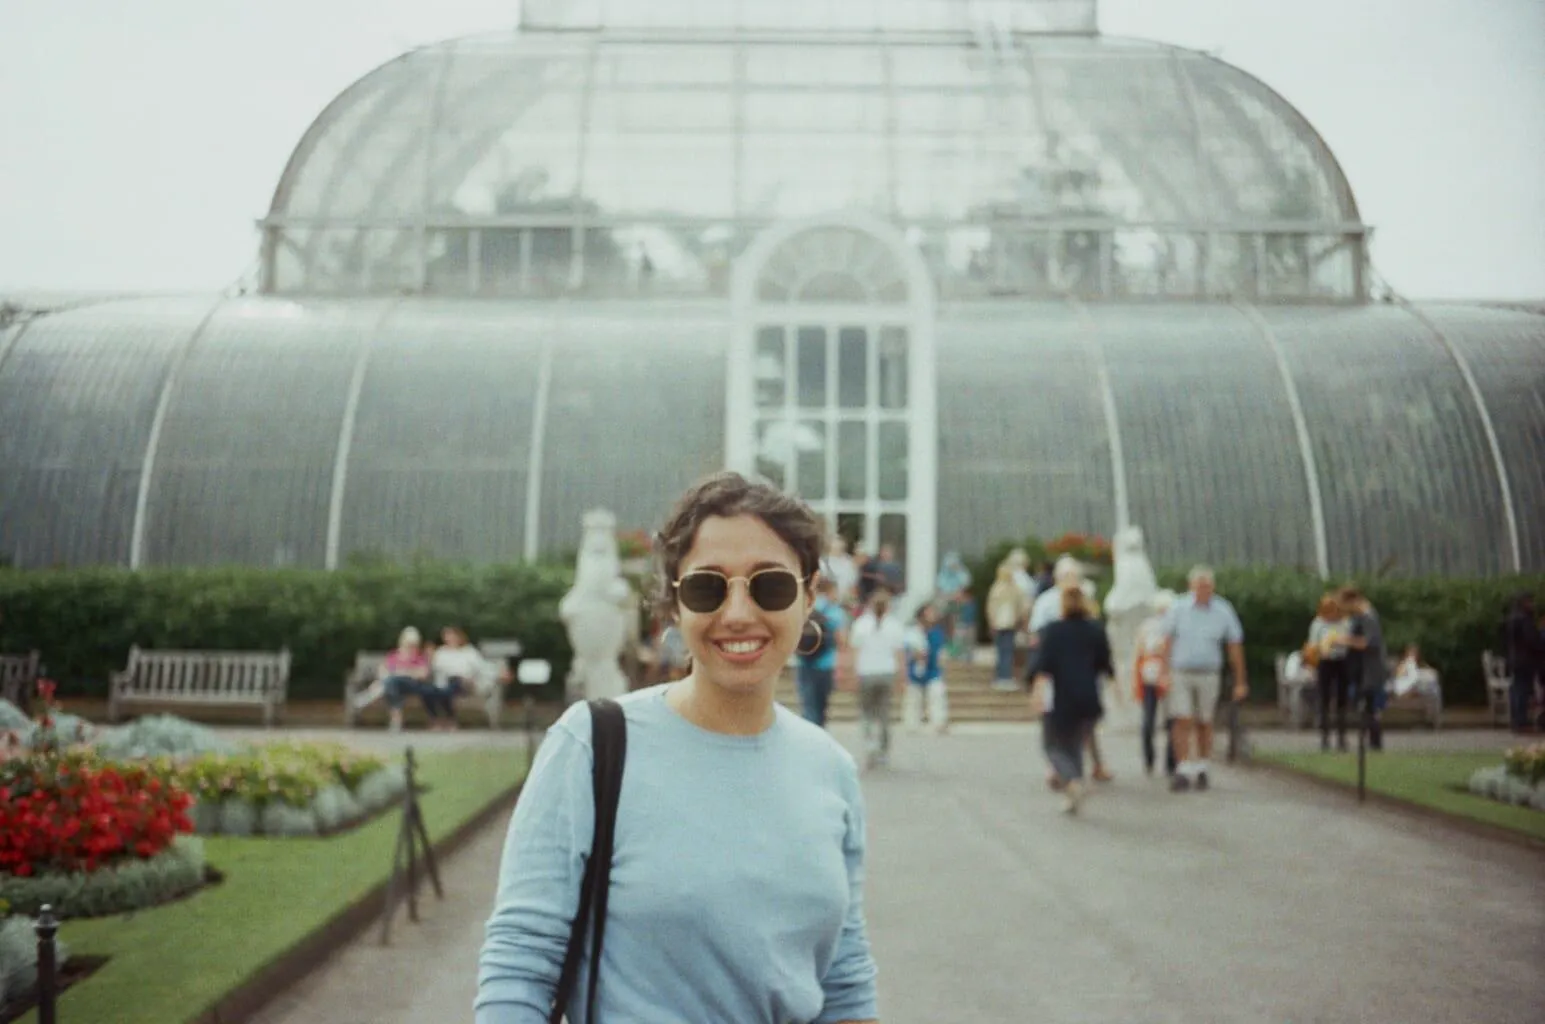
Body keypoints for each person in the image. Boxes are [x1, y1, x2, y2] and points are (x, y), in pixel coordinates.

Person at [476, 471, 879, 1024]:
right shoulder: (593, 745)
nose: (739, 614)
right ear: (674, 604)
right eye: (708, 586)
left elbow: (844, 981)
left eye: (771, 585)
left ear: (809, 596)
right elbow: (521, 966)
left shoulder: (829, 768)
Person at [1158, 566, 1247, 793]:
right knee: (1182, 717)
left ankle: (1203, 765)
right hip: (1181, 671)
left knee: (1205, 720)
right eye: (1199, 586)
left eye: (1207, 586)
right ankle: (1183, 767)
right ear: (1191, 587)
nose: (1203, 591)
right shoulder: (1179, 608)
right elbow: (1167, 641)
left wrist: (1240, 680)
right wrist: (1163, 672)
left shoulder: (1223, 610)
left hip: (1209, 672)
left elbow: (1234, 645)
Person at [1029, 586, 1113, 815]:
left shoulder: (1053, 631)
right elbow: (1105, 663)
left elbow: (1042, 666)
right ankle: (1072, 795)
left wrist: (1036, 691)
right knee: (1076, 744)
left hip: (1061, 696)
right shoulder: (1096, 630)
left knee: (1051, 745)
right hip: (1088, 696)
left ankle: (1072, 779)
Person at [849, 588, 909, 770]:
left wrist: (852, 674)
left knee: (866, 712)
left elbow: (855, 652)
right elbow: (899, 654)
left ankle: (869, 745)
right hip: (886, 672)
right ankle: (883, 750)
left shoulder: (861, 624)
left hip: (866, 672)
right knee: (884, 714)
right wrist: (902, 677)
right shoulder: (894, 625)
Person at [1132, 590, 1177, 777]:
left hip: (1164, 674)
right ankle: (1153, 758)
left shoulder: (1170, 626)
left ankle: (1170, 760)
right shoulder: (1149, 626)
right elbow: (1141, 651)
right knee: (1151, 719)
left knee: (1170, 719)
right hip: (1152, 675)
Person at [430, 626, 510, 732]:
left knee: (455, 682)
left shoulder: (469, 651)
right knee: (440, 690)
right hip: (445, 683)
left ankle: (450, 721)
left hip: (465, 684)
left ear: (459, 636)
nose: (449, 638)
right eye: (447, 636)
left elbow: (483, 667)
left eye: (452, 635)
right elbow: (437, 670)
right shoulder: (441, 653)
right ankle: (449, 721)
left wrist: (498, 673)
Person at [797, 577, 849, 728]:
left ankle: (808, 736)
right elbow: (842, 641)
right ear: (830, 590)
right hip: (826, 664)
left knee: (808, 705)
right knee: (821, 706)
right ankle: (819, 735)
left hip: (804, 662)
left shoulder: (804, 607)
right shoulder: (836, 612)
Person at [1341, 588, 1388, 751]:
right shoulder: (1359, 618)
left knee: (1370, 705)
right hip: (1362, 669)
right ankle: (1369, 740)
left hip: (1371, 669)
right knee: (1364, 704)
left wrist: (1344, 641)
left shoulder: (1369, 617)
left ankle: (1375, 742)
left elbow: (1368, 643)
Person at [1308, 593, 1354, 752]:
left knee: (1342, 700)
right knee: (1324, 700)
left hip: (1341, 661)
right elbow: (1312, 645)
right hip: (1325, 662)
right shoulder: (1318, 623)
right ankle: (1325, 738)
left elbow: (1350, 641)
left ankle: (1342, 737)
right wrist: (1320, 650)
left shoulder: (1345, 623)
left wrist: (1339, 641)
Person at [903, 602, 950, 734]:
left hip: (933, 670)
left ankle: (939, 722)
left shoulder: (937, 633)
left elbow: (940, 651)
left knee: (937, 695)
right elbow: (907, 651)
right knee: (913, 699)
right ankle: (911, 724)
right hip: (915, 671)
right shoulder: (912, 632)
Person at [380, 626, 433, 733]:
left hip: (413, 685)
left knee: (391, 681)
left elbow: (423, 674)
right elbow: (382, 670)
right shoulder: (394, 655)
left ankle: (396, 719)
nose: (411, 646)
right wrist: (407, 671)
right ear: (402, 642)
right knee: (391, 682)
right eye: (409, 643)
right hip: (395, 685)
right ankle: (396, 718)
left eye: (413, 644)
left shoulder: (419, 657)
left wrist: (404, 672)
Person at [986, 563, 1030, 691]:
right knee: (1007, 651)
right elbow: (1021, 606)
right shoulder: (1013, 589)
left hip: (1000, 624)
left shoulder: (996, 588)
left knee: (1001, 651)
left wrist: (992, 622)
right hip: (1010, 623)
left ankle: (1001, 677)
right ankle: (1005, 678)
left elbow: (990, 608)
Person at [1504, 592, 1542, 734]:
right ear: (1524, 603)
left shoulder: (1512, 618)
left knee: (1517, 690)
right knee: (1522, 691)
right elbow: (1532, 640)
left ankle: (1517, 721)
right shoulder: (1524, 619)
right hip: (1525, 660)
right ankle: (1521, 722)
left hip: (1515, 659)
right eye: (1530, 602)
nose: (1533, 605)